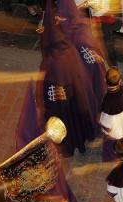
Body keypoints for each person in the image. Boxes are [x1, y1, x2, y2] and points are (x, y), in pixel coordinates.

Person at [37, 0, 97, 157]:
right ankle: (83, 140)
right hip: (75, 89)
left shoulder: (51, 60)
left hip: (62, 95)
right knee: (78, 116)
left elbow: (52, 96)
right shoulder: (71, 50)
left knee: (68, 120)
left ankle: (71, 145)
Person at [57, 0, 107, 121]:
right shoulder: (72, 26)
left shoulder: (79, 34)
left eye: (61, 15)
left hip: (86, 76)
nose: (58, 18)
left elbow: (93, 59)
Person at [99, 67, 123, 162]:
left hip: (113, 122)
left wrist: (103, 125)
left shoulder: (107, 98)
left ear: (105, 80)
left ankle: (115, 154)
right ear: (120, 81)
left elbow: (105, 113)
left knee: (114, 137)